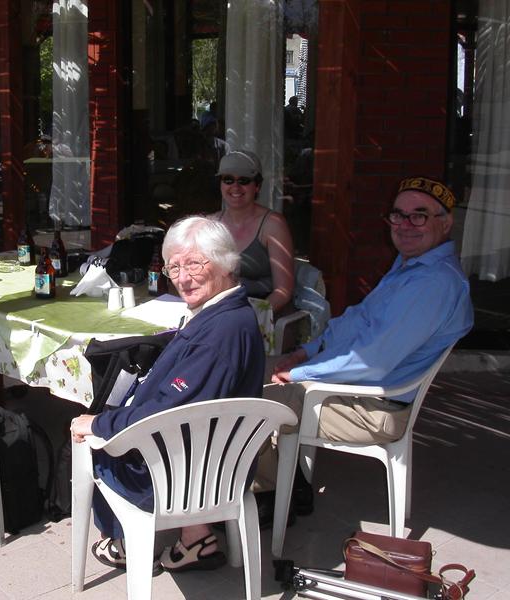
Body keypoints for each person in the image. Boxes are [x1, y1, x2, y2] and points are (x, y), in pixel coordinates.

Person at [70, 216, 265, 573]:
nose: (183, 278)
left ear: (225, 262)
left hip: (186, 479)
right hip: (210, 459)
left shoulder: (220, 335)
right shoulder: (227, 311)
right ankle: (196, 540)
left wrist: (100, 424)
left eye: (194, 263)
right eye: (174, 266)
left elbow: (167, 414)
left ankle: (122, 542)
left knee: (93, 443)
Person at [258, 176, 474, 492]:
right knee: (242, 370)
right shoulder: (410, 266)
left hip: (372, 408)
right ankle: (287, 483)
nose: (404, 224)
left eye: (419, 215)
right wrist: (305, 352)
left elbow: (373, 360)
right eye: (398, 215)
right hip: (350, 389)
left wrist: (299, 372)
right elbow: (357, 321)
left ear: (445, 223)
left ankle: (268, 493)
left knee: (239, 397)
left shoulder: (433, 284)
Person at [212, 151, 295, 312]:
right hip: (219, 311)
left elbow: (283, 292)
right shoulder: (211, 223)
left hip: (262, 310)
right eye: (228, 180)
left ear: (257, 186)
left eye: (244, 181)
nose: (235, 187)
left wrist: (251, 316)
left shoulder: (273, 225)